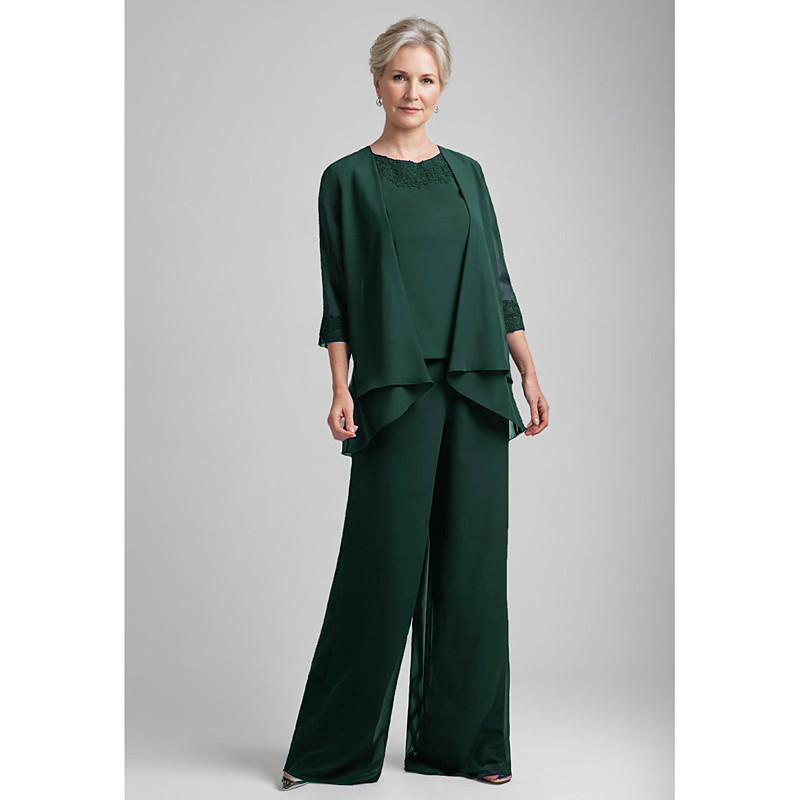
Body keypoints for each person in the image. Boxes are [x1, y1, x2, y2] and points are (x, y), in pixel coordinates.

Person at [281, 15, 549, 790]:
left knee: (473, 571)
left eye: (426, 79)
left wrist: (529, 372)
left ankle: (466, 749)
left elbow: (498, 281)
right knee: (379, 567)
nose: (412, 91)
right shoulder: (345, 179)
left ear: (442, 87)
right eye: (400, 76)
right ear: (377, 82)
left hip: (477, 385)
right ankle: (330, 753)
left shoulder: (469, 174)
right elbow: (337, 297)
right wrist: (339, 386)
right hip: (395, 392)